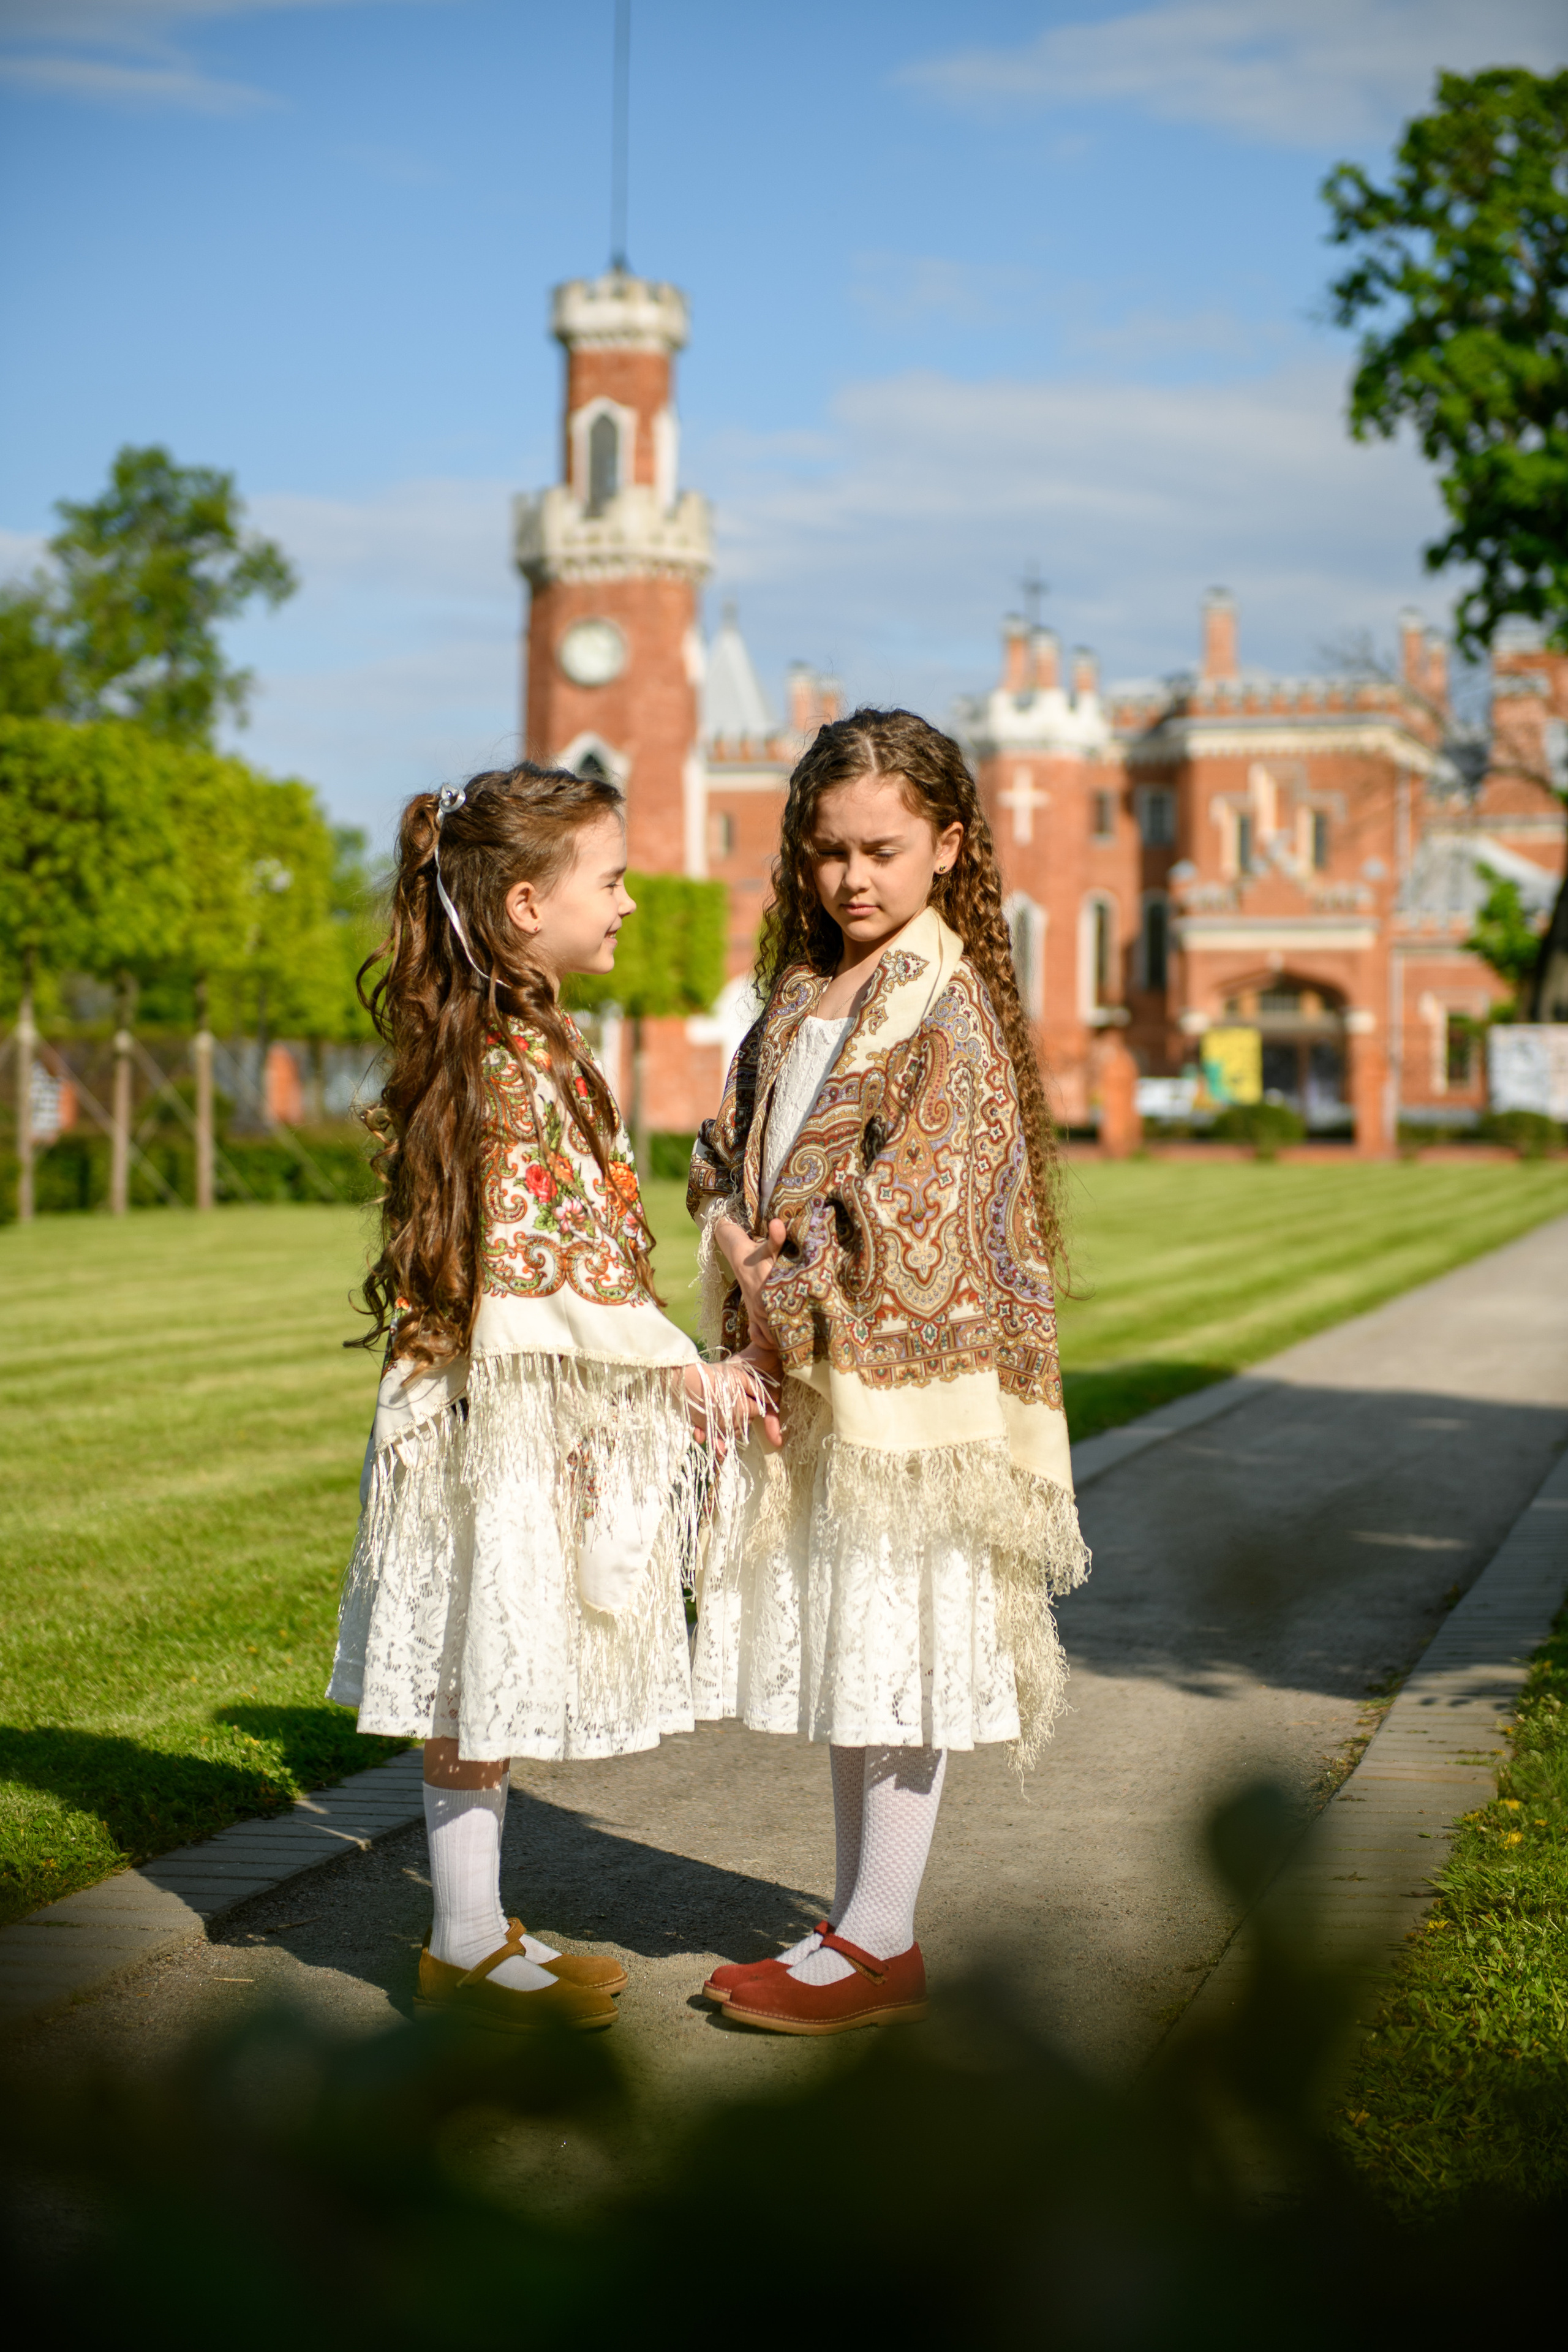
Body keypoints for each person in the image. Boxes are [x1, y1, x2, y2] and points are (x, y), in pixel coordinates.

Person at [329, 763, 774, 2033]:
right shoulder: (508, 1057)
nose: (631, 902)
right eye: (612, 878)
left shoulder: (514, 1032)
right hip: (496, 1416)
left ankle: (471, 1930)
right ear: (526, 902)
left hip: (499, 1403)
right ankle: (462, 1947)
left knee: (488, 1666)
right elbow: (550, 1267)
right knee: (486, 1662)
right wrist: (691, 1371)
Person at [687, 708, 1090, 2035]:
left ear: (946, 847)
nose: (851, 878)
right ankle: (852, 1927)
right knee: (855, 1648)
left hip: (908, 1401)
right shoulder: (803, 995)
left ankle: (881, 1937)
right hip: (819, 1380)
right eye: (824, 852)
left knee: (902, 1636)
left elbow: (907, 1215)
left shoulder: (946, 1006)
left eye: (880, 849)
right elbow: (725, 1148)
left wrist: (760, 1272)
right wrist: (744, 1238)